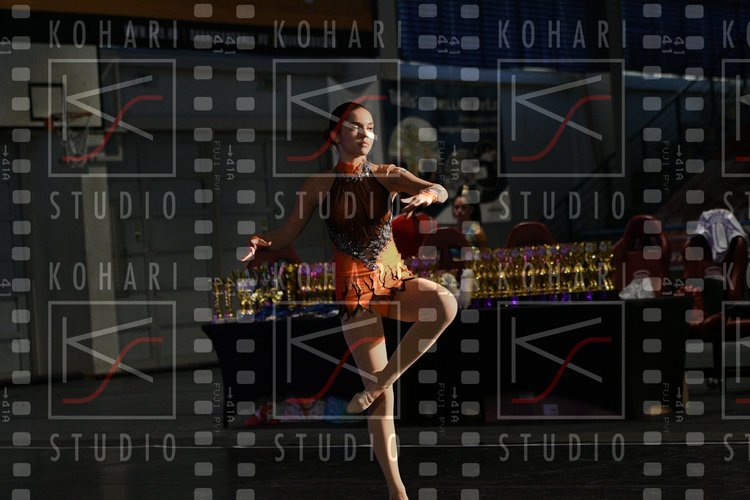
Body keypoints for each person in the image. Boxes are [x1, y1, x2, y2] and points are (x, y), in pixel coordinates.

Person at [241, 101, 458, 500]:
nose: (365, 134)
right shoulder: (319, 184)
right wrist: (261, 241)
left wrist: (430, 194)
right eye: (356, 127)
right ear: (335, 135)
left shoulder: (387, 174)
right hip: (354, 293)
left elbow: (439, 188)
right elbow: (285, 235)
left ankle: (380, 383)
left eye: (370, 127)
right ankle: (397, 491)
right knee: (383, 403)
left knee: (445, 303)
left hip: (393, 281)